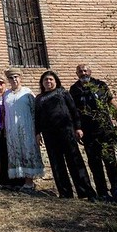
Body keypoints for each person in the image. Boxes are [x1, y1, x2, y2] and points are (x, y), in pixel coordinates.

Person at [35, 70, 96, 200]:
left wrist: (78, 127)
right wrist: (37, 133)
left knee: (74, 160)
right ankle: (65, 192)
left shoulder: (62, 92)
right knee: (57, 163)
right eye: (46, 80)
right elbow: (37, 117)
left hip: (66, 131)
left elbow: (73, 110)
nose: (48, 82)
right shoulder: (39, 98)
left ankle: (85, 191)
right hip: (49, 134)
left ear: (56, 81)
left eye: (51, 79)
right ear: (42, 83)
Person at [69, 64, 117, 198]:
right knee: (94, 163)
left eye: (85, 70)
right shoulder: (74, 89)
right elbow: (73, 111)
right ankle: (102, 193)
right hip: (88, 132)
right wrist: (77, 128)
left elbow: (110, 103)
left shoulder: (100, 85)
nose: (83, 73)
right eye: (80, 71)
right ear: (77, 74)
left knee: (110, 161)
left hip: (105, 129)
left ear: (90, 72)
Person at [2, 68, 44, 191]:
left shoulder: (27, 93)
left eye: (16, 77)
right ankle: (20, 181)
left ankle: (29, 182)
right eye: (11, 78)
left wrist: (37, 132)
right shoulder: (7, 94)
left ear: (20, 78)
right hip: (12, 129)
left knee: (27, 151)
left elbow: (34, 111)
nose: (14, 79)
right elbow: (5, 112)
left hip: (27, 127)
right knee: (16, 153)